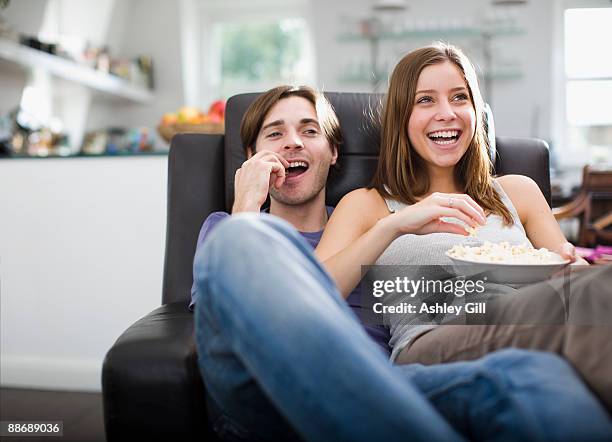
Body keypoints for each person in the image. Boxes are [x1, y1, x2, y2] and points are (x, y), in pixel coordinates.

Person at [192, 85, 612, 441]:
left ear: (334, 152)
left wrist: (545, 275)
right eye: (274, 133)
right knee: (242, 239)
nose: (293, 142)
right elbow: (239, 325)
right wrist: (246, 202)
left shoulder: (371, 218)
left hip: (383, 384)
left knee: (533, 376)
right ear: (249, 156)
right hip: (265, 388)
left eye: (309, 130)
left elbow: (439, 304)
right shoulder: (228, 230)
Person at [315, 43, 612, 411]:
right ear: (401, 117)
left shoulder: (519, 192)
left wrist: (572, 269)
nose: (446, 113)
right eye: (425, 100)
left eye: (459, 97)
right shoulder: (367, 204)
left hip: (529, 327)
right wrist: (394, 226)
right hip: (432, 344)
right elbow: (313, 292)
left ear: (476, 110)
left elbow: (569, 278)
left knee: (598, 287)